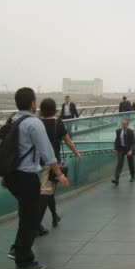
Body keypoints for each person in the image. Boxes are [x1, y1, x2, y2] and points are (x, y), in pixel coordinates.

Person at [4, 87, 69, 269]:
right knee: (31, 219)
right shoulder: (33, 123)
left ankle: (17, 250)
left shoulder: (12, 120)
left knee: (26, 216)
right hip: (26, 176)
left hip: (12, 177)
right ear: (33, 103)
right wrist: (60, 175)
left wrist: (4, 176)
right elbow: (47, 153)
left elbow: (9, 151)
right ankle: (23, 262)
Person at [38, 98, 81, 234]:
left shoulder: (36, 123)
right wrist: (76, 153)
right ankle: (36, 224)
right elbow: (68, 141)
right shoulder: (58, 123)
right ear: (55, 109)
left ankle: (54, 216)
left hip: (35, 163)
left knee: (49, 192)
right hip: (51, 164)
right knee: (46, 193)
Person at [112, 119, 135, 185]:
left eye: (125, 124)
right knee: (119, 163)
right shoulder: (118, 131)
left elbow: (133, 143)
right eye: (122, 124)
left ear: (127, 124)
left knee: (130, 163)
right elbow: (117, 140)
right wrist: (115, 148)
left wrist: (131, 150)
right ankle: (116, 179)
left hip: (129, 149)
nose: (123, 125)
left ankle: (132, 176)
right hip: (121, 149)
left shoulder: (130, 132)